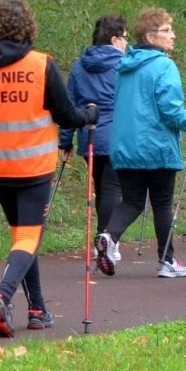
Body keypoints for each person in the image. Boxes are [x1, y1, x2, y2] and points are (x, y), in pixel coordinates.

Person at [0, 0, 95, 337]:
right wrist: (88, 117)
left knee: (23, 236)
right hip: (33, 166)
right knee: (29, 236)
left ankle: (38, 309)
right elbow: (66, 114)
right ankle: (2, 295)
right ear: (29, 27)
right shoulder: (41, 65)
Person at [95, 8, 186, 278]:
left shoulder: (124, 66)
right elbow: (170, 111)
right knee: (161, 204)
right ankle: (167, 261)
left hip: (124, 146)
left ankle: (109, 236)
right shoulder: (164, 65)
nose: (173, 35)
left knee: (132, 200)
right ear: (150, 36)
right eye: (167, 31)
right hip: (156, 146)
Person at [66, 15, 127, 237]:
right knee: (113, 187)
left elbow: (69, 105)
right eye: (124, 37)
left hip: (88, 136)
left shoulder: (78, 66)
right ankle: (106, 237)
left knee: (101, 186)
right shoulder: (123, 66)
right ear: (114, 39)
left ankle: (103, 236)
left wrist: (65, 140)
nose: (126, 43)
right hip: (116, 135)